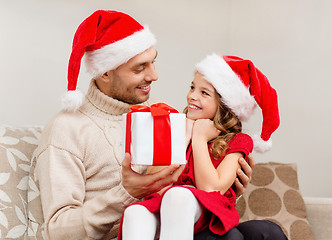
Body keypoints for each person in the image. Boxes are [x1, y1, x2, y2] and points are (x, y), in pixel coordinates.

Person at [34, 9, 284, 240]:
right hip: (137, 226)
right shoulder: (66, 129)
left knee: (266, 233)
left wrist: (231, 186)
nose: (154, 75)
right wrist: (127, 193)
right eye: (140, 68)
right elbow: (58, 231)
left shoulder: (166, 113)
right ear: (105, 72)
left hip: (178, 219)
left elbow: (195, 186)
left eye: (153, 62)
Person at [120, 54, 287, 240]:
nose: (192, 96)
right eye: (192, 88)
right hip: (164, 209)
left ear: (225, 105)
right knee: (135, 213)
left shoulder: (238, 141)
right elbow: (155, 186)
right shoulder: (175, 127)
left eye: (204, 93)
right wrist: (183, 137)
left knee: (178, 195)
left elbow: (211, 189)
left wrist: (199, 138)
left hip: (205, 214)